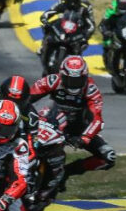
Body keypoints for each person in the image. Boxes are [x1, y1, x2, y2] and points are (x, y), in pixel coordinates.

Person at [30, 55, 115, 186]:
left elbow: (97, 119)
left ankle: (67, 172)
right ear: (61, 75)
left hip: (79, 129)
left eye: (78, 80)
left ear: (85, 77)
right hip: (52, 124)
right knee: (34, 145)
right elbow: (27, 98)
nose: (73, 84)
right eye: (69, 80)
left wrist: (85, 138)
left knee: (108, 157)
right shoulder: (52, 80)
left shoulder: (91, 90)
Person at [39, 0, 96, 64]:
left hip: (76, 32)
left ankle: (77, 63)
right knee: (48, 29)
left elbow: (91, 24)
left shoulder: (85, 7)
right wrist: (45, 19)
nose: (72, 3)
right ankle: (42, 47)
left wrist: (86, 35)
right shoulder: (61, 3)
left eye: (74, 0)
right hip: (61, 29)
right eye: (70, 0)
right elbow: (49, 12)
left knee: (81, 46)